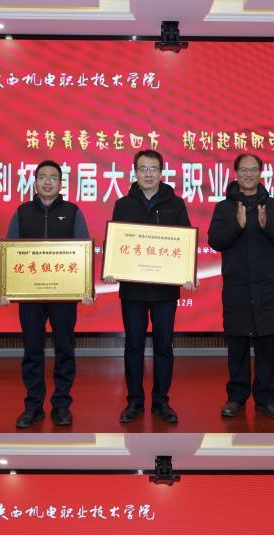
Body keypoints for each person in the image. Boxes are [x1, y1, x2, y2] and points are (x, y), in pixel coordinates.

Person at [0, 160, 92, 429]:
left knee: (65, 349)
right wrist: (4, 289)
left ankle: (61, 405)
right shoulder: (22, 212)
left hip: (64, 296)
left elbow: (83, 250)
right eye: (42, 177)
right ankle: (33, 406)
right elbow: (10, 252)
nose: (47, 181)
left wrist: (86, 288)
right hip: (31, 297)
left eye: (53, 177)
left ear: (61, 183)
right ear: (35, 182)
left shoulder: (73, 212)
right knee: (32, 350)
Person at [104, 149, 195, 425]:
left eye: (153, 169)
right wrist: (111, 268)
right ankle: (134, 401)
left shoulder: (175, 204)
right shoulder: (123, 204)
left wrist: (187, 272)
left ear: (161, 172)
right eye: (143, 169)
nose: (148, 174)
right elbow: (116, 243)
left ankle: (161, 401)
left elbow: (185, 243)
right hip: (133, 289)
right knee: (133, 346)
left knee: (164, 346)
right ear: (135, 172)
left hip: (164, 290)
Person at [208, 153, 274, 421]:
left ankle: (266, 399)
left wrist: (268, 226)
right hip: (237, 287)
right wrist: (238, 226)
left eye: (253, 170)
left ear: (260, 173)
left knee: (267, 346)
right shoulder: (224, 208)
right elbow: (215, 241)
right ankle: (236, 397)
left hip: (267, 288)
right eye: (244, 170)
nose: (248, 174)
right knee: (237, 346)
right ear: (235, 173)